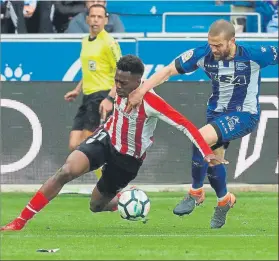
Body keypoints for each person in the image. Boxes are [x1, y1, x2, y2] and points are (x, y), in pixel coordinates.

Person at [0, 55, 225, 232]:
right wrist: (108, 100)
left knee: (96, 206)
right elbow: (114, 90)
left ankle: (125, 199)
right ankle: (20, 221)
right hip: (106, 138)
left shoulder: (152, 101)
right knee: (66, 171)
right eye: (116, 80)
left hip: (127, 160)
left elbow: (185, 124)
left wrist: (206, 152)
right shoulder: (119, 86)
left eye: (123, 83)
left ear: (139, 82)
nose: (117, 85)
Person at [126, 19, 278, 228]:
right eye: (210, 44)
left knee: (200, 138)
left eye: (218, 45)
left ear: (232, 41)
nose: (213, 49)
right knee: (213, 161)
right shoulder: (203, 54)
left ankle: (195, 192)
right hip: (216, 113)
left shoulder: (254, 54)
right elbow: (168, 70)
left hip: (244, 114)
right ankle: (224, 200)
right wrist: (141, 91)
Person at [64, 3, 121, 179]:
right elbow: (89, 69)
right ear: (87, 19)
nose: (95, 20)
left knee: (89, 143)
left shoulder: (109, 43)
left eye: (99, 17)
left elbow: (121, 72)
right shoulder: (85, 41)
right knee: (74, 144)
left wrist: (110, 99)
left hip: (102, 95)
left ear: (105, 20)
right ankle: (104, 176)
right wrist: (77, 89)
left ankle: (104, 184)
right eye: (93, 16)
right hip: (87, 97)